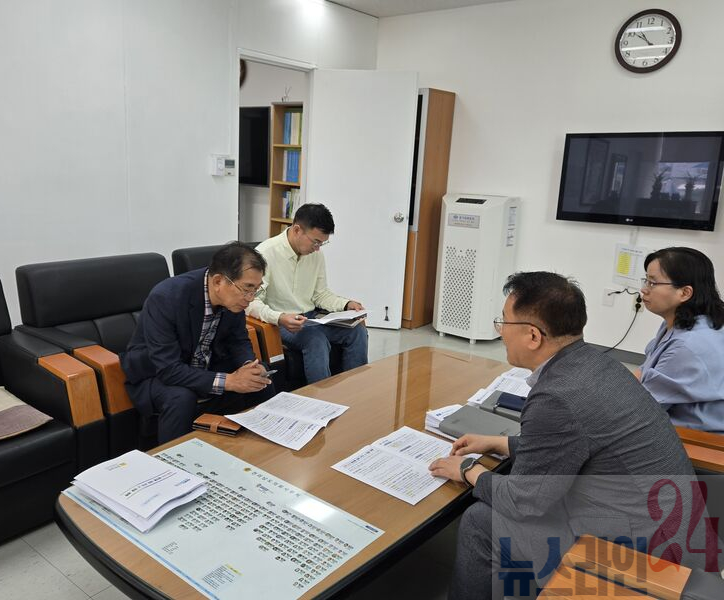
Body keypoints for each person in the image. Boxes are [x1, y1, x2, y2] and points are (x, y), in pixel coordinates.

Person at [428, 271, 716, 599]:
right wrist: (502, 443)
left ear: (533, 336)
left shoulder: (556, 396)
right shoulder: (598, 363)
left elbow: (524, 502)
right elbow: (577, 443)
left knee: (481, 521)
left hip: (647, 558)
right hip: (676, 535)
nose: (500, 331)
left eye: (504, 322)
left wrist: (468, 470)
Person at [120, 242, 274, 444]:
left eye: (256, 289)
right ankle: (173, 458)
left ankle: (268, 445)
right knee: (181, 397)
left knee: (259, 378)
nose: (251, 298)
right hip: (157, 372)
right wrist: (230, 381)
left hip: (206, 364)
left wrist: (248, 366)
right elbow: (168, 369)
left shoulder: (234, 299)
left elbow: (238, 341)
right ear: (218, 281)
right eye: (247, 289)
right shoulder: (166, 297)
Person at [246, 203, 368, 384]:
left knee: (357, 331)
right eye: (316, 241)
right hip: (281, 323)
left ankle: (354, 389)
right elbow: (251, 302)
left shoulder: (316, 254)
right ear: (297, 230)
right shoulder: (265, 254)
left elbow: (320, 294)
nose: (318, 248)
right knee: (315, 339)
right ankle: (320, 398)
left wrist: (346, 304)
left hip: (311, 319)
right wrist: (280, 317)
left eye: (322, 243)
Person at [635, 247, 724, 433]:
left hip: (700, 439)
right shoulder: (682, 321)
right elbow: (645, 371)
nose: (644, 289)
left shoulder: (688, 345)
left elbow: (640, 408)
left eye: (652, 283)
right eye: (646, 280)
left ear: (684, 293)